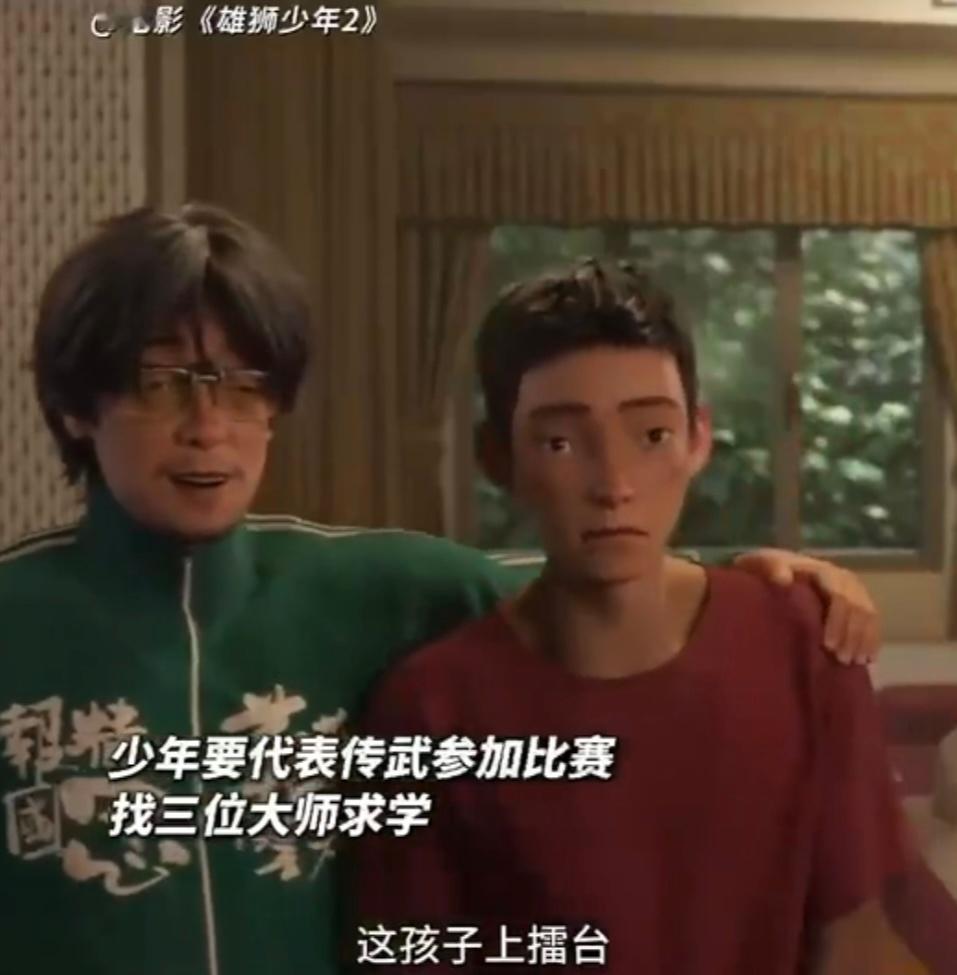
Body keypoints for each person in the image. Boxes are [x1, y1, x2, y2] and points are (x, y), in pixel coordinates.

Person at [0, 205, 879, 975]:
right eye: (160, 385)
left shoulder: (375, 587)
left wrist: (760, 578)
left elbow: (598, 583)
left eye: (242, 386)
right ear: (77, 403)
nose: (207, 429)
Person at [352, 259, 911, 974]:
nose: (613, 485)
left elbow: (856, 941)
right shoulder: (432, 706)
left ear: (697, 438)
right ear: (498, 458)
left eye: (650, 435)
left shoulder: (803, 638)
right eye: (559, 443)